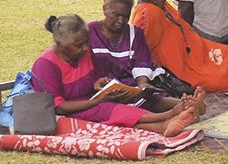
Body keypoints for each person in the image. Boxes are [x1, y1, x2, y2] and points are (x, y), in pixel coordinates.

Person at [29, 13, 201, 135]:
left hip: (93, 98)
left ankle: (173, 118)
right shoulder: (45, 65)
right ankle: (168, 117)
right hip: (72, 108)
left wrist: (101, 84)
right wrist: (97, 100)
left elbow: (97, 78)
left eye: (86, 42)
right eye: (78, 45)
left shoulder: (84, 53)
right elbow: (58, 106)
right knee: (110, 110)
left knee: (135, 95)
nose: (85, 48)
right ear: (59, 44)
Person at [129, 0, 228, 94]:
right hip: (186, 68)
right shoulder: (147, 12)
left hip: (198, 53)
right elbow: (138, 51)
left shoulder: (159, 5)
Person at [86, 0, 157, 84]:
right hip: (97, 86)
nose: (121, 21)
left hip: (130, 87)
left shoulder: (135, 33)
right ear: (104, 10)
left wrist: (142, 86)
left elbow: (142, 64)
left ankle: (183, 99)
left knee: (157, 97)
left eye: (125, 16)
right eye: (116, 15)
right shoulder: (90, 31)